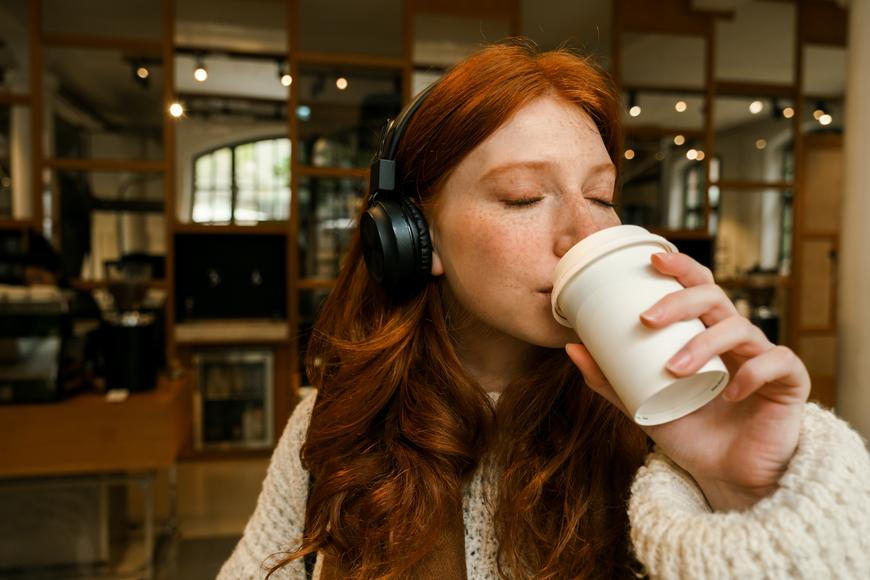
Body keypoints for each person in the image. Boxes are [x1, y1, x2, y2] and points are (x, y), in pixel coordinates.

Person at [218, 41, 869, 579]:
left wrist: (744, 490)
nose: (585, 233)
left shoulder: (668, 424)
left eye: (603, 195)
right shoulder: (334, 418)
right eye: (525, 197)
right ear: (417, 235)